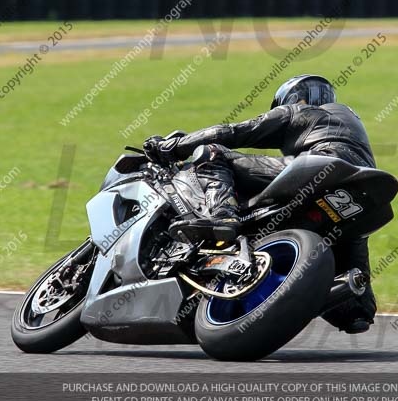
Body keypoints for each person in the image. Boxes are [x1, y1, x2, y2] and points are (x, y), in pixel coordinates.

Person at [143, 74, 378, 334]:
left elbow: (232, 133)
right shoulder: (352, 126)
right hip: (356, 193)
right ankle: (355, 308)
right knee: (353, 263)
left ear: (293, 99)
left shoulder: (300, 112)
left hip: (322, 166)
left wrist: (174, 146)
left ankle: (222, 216)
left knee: (212, 153)